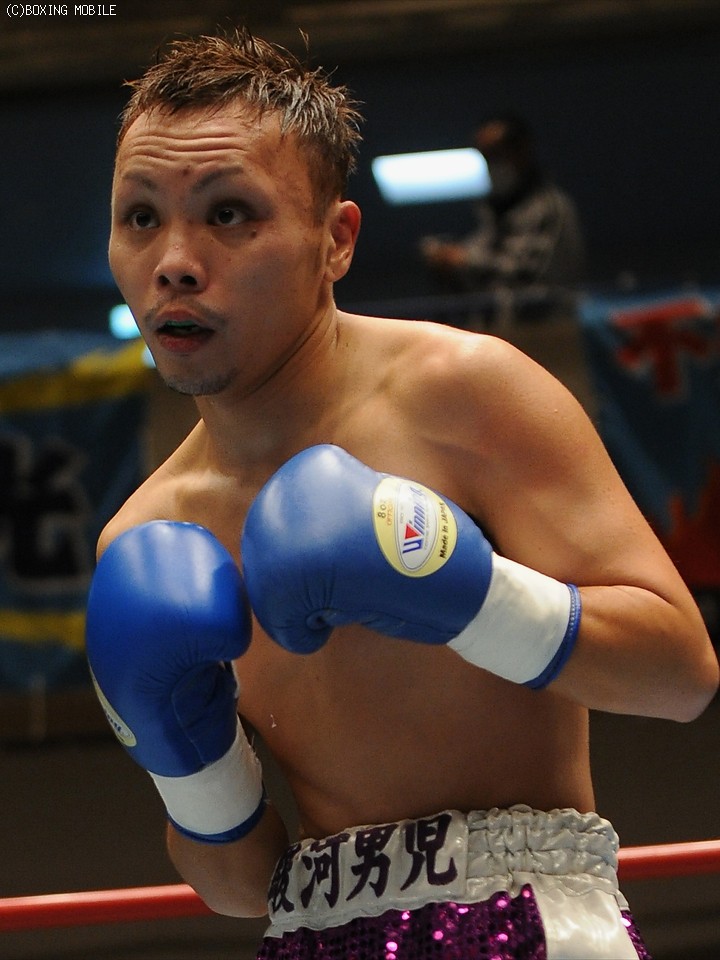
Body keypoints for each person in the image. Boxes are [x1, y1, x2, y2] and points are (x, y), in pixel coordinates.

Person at [85, 28, 718, 960]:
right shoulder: (144, 534)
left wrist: (471, 596)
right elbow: (239, 886)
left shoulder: (464, 393)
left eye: (229, 214)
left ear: (336, 241)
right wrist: (190, 765)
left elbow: (681, 674)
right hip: (309, 937)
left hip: (525, 921)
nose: (174, 260)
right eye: (140, 216)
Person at [420, 113, 585, 322]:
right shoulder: (496, 208)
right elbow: (483, 256)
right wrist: (447, 258)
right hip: (504, 330)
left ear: (522, 150)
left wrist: (462, 260)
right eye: (484, 156)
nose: (490, 164)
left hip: (547, 330)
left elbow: (525, 274)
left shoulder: (549, 207)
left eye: (495, 154)